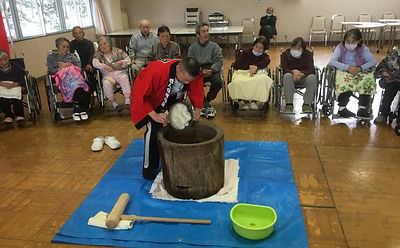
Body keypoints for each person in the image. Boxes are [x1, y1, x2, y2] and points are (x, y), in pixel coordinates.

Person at [130, 57, 204, 180]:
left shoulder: (191, 72)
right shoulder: (156, 71)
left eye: (189, 81)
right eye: (185, 79)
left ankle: (176, 161)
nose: (187, 83)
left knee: (181, 123)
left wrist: (197, 107)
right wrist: (154, 114)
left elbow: (196, 89)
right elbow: (141, 95)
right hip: (151, 99)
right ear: (178, 68)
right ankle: (149, 167)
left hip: (172, 96)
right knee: (154, 128)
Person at [329, 28, 377, 118]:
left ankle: (362, 108)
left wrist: (360, 68)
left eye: (353, 42)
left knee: (367, 79)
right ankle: (342, 108)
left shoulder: (363, 49)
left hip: (359, 70)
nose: (350, 44)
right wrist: (348, 67)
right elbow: (333, 62)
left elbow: (373, 62)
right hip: (344, 70)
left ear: (358, 41)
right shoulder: (340, 48)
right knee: (345, 80)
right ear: (344, 40)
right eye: (348, 41)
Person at [47, 37, 90, 121]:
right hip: (62, 78)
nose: (66, 49)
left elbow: (79, 68)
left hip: (75, 76)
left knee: (84, 86)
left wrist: (69, 64)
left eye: (67, 47)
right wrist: (61, 67)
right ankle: (78, 109)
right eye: (63, 47)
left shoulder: (72, 57)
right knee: (75, 85)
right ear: (58, 47)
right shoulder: (51, 57)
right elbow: (51, 71)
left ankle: (80, 109)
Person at [187, 23, 223, 118]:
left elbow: (219, 60)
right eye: (203, 31)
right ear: (198, 35)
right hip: (198, 69)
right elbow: (190, 62)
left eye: (207, 31)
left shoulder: (215, 46)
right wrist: (200, 71)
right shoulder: (192, 48)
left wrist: (212, 70)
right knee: (193, 84)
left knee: (218, 82)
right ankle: (204, 105)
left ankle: (206, 101)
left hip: (212, 69)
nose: (206, 33)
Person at [228, 37, 273, 110]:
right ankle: (245, 101)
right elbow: (236, 65)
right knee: (238, 81)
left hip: (257, 74)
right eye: (256, 47)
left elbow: (266, 61)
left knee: (262, 80)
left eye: (261, 48)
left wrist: (256, 67)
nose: (258, 50)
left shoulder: (265, 57)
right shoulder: (245, 53)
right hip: (243, 72)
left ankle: (254, 101)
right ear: (253, 46)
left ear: (264, 50)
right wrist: (249, 67)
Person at [93, 36, 131, 111]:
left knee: (124, 78)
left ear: (109, 43)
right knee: (106, 83)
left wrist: (122, 62)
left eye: (105, 43)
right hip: (107, 75)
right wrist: (104, 66)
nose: (103, 46)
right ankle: (115, 104)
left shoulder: (118, 51)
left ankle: (127, 102)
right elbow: (95, 64)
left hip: (120, 72)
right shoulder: (98, 55)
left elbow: (128, 60)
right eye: (101, 45)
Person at [281, 37, 318, 114]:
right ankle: (289, 105)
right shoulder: (285, 54)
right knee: (287, 75)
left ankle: (307, 105)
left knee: (312, 78)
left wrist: (301, 74)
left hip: (304, 77)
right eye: (293, 48)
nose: (295, 50)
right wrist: (294, 71)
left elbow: (311, 69)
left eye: (298, 49)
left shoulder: (308, 54)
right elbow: (284, 68)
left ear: (303, 50)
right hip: (290, 77)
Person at [374, 49, 400, 124]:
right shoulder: (393, 55)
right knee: (389, 92)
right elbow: (382, 64)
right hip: (392, 79)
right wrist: (383, 71)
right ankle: (384, 114)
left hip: (394, 77)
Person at [0, 49, 25, 123]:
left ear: (9, 58)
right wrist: (2, 83)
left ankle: (19, 115)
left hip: (15, 84)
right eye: (0, 60)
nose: (4, 62)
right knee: (2, 99)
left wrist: (17, 84)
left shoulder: (17, 66)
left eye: (5, 59)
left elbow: (23, 79)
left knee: (16, 97)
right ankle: (8, 115)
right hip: (2, 85)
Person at [69, 26, 96, 93]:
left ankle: (92, 90)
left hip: (88, 63)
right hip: (77, 65)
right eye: (76, 33)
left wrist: (89, 64)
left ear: (83, 33)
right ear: (73, 35)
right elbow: (72, 56)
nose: (78, 35)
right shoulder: (71, 44)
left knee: (90, 72)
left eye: (80, 32)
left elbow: (91, 54)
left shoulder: (89, 43)